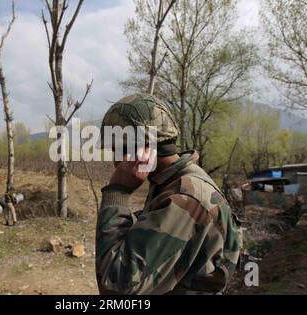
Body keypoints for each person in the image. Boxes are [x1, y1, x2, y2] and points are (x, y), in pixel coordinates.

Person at [96, 93, 241, 295]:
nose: (114, 159)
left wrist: (117, 193)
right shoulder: (174, 183)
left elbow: (116, 287)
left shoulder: (185, 197)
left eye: (115, 149)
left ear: (134, 151)